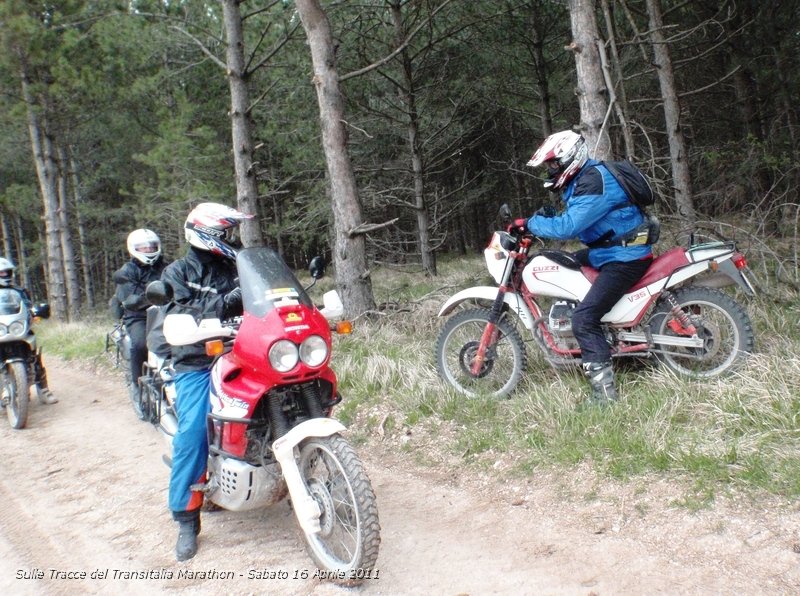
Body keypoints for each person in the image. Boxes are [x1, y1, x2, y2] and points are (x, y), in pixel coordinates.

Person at [516, 130, 654, 403]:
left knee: (585, 319)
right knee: (559, 262)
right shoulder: (585, 178)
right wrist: (548, 217)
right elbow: (581, 215)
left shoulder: (594, 181)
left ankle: (604, 395)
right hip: (610, 252)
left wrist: (531, 223)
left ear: (570, 158)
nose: (551, 170)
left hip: (624, 258)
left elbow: (571, 226)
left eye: (554, 164)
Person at [161, 202, 252, 561]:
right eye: (224, 233)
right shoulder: (177, 272)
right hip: (197, 360)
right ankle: (186, 517)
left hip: (245, 351)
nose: (230, 239)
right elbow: (178, 313)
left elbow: (267, 293)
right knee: (193, 432)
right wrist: (225, 303)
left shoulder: (239, 264)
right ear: (208, 234)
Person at [112, 229, 165, 417]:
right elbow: (131, 300)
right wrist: (157, 296)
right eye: (143, 247)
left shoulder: (165, 266)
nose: (148, 249)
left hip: (166, 311)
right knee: (141, 344)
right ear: (133, 249)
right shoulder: (125, 272)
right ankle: (138, 385)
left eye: (151, 246)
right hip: (137, 316)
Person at [0, 257, 57, 405]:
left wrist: (36, 311)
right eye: (1, 273)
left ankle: (43, 389)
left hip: (18, 329)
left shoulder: (20, 291)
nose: (4, 275)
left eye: (7, 272)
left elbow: (28, 306)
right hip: (1, 330)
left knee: (34, 356)